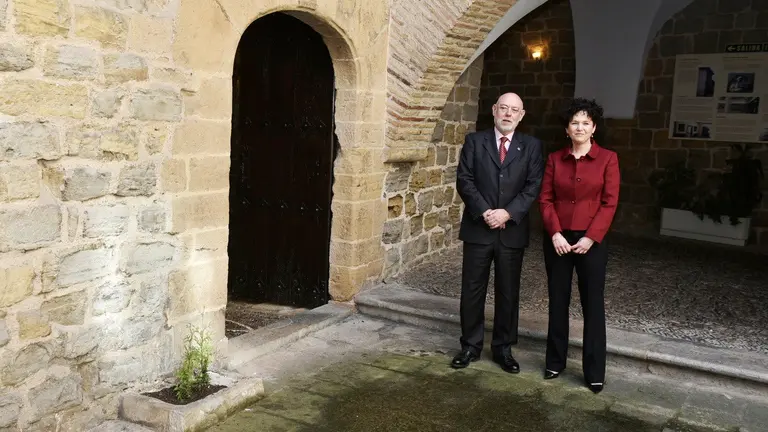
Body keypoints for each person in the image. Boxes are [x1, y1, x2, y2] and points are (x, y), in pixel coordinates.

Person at [451, 92, 545, 373]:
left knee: (508, 292)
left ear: (521, 114)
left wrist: (508, 213)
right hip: (479, 229)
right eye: (503, 108)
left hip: (511, 230)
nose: (508, 114)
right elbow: (464, 180)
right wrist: (485, 212)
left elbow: (533, 186)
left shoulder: (531, 146)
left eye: (514, 110)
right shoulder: (474, 141)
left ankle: (503, 349)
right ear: (494, 110)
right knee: (472, 290)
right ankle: (470, 345)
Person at [538, 97, 620, 393]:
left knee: (593, 305)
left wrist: (590, 237)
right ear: (567, 129)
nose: (580, 127)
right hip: (558, 240)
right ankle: (555, 362)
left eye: (586, 123)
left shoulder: (608, 159)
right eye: (575, 122)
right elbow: (545, 199)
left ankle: (594, 370)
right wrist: (555, 233)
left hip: (592, 241)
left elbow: (610, 203)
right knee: (558, 301)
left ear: (594, 127)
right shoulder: (554, 159)